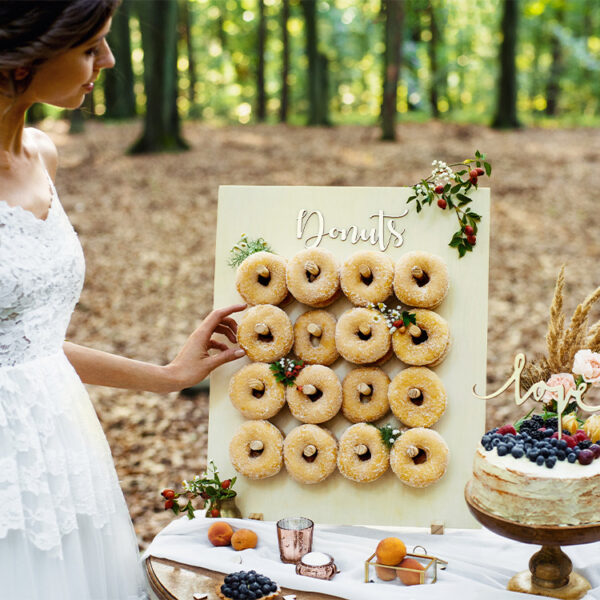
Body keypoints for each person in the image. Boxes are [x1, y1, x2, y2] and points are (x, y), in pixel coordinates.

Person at [0, 2, 246, 598]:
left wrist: (166, 376)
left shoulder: (43, 156)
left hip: (63, 443)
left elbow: (30, 345)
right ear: (24, 57)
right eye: (90, 48)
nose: (107, 61)